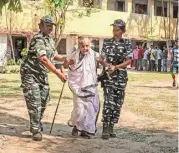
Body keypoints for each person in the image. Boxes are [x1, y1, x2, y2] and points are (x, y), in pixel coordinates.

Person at [20, 16, 72, 141]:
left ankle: (37, 121)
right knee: (35, 101)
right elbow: (43, 58)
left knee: (44, 100)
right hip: (30, 74)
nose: (50, 28)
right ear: (41, 26)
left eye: (51, 26)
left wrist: (66, 59)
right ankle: (35, 129)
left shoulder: (49, 40)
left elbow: (54, 55)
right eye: (47, 25)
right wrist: (58, 73)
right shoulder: (38, 39)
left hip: (41, 75)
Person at [100, 19, 132, 140]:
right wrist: (106, 64)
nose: (115, 31)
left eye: (117, 29)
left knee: (118, 102)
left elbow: (128, 61)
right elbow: (102, 57)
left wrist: (116, 67)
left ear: (123, 31)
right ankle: (105, 127)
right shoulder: (107, 42)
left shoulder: (127, 43)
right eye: (113, 29)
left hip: (121, 76)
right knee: (108, 101)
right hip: (108, 75)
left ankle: (112, 126)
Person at [65, 37, 102, 139]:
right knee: (79, 109)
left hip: (90, 86)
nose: (85, 48)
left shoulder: (94, 54)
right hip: (78, 86)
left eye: (87, 46)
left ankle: (85, 130)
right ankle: (77, 126)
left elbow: (103, 62)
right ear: (79, 46)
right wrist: (68, 63)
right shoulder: (74, 55)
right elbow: (65, 64)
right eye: (83, 46)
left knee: (89, 109)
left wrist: (107, 65)